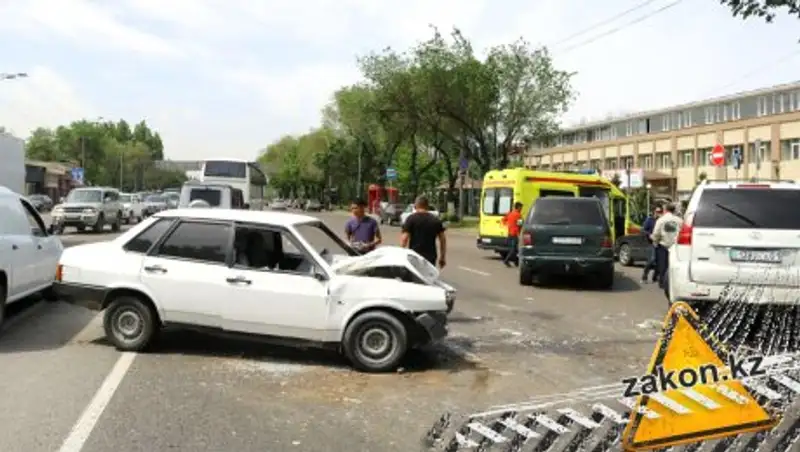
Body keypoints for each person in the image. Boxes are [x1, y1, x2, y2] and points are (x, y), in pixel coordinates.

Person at [401, 195, 447, 268]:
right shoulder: (435, 220)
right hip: (430, 257)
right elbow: (442, 240)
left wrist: (401, 255)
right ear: (427, 206)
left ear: (416, 206)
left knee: (414, 277)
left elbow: (404, 239)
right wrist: (442, 257)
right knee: (428, 278)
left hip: (414, 256)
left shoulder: (411, 219)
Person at [650, 203, 683, 292]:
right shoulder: (679, 221)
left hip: (663, 246)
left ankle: (663, 283)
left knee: (663, 267)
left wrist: (654, 241)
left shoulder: (661, 220)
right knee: (675, 267)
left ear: (665, 210)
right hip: (676, 247)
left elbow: (656, 233)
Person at [640, 206, 662, 283]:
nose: (658, 213)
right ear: (654, 212)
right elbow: (643, 230)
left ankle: (655, 277)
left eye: (660, 212)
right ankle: (644, 276)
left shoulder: (661, 221)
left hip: (659, 242)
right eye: (657, 212)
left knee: (659, 261)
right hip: (651, 243)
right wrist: (649, 234)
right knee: (652, 259)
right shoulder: (649, 220)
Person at [501, 202, 524, 267]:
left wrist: (508, 225)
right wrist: (520, 233)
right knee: (514, 249)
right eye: (521, 207)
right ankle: (506, 260)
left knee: (515, 249)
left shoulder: (510, 213)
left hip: (510, 233)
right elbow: (520, 225)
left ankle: (516, 262)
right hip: (515, 234)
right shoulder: (518, 215)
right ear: (518, 207)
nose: (521, 209)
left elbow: (503, 220)